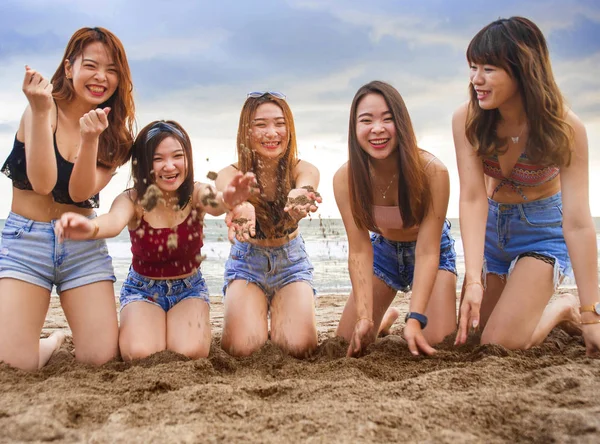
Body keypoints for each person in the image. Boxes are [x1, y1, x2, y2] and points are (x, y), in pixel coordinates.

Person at [453, 16, 600, 356]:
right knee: (476, 335)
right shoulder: (468, 119)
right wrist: (473, 279)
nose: (476, 79)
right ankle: (547, 307)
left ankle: (564, 307)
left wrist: (592, 315)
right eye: (473, 67)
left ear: (523, 70)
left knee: (498, 344)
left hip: (542, 233)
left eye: (488, 69)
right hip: (492, 229)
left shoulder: (566, 127)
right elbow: (473, 199)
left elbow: (578, 222)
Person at [54, 120, 256, 360]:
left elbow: (217, 203)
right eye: (158, 159)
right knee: (140, 353)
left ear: (187, 159)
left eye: (177, 156)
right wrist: (89, 227)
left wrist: (231, 198)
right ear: (143, 164)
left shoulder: (195, 193)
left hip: (188, 289)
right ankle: (59, 338)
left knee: (190, 353)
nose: (169, 166)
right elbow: (113, 221)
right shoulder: (133, 199)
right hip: (143, 290)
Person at [0, 27, 135, 370]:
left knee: (100, 360)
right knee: (15, 365)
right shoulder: (41, 108)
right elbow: (43, 183)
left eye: (112, 70)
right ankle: (52, 341)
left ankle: (59, 340)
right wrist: (43, 112)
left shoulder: (115, 134)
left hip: (82, 250)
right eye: (91, 65)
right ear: (70, 66)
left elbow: (79, 194)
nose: (101, 77)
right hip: (25, 243)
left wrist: (91, 140)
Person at [334, 81, 457, 357]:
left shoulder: (432, 171)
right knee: (346, 342)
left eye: (387, 119)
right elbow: (359, 249)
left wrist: (415, 319)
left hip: (431, 252)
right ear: (354, 128)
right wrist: (365, 316)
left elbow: (427, 251)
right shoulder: (346, 178)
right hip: (384, 252)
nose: (377, 129)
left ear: (401, 123)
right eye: (366, 120)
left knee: (434, 341)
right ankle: (381, 319)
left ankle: (404, 317)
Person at [216, 91, 321, 358]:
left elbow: (307, 181)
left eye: (280, 123)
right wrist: (241, 205)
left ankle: (281, 322)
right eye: (260, 125)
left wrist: (300, 194)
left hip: (290, 263)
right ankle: (258, 319)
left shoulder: (300, 168)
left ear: (290, 128)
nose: (272, 132)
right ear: (246, 132)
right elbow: (227, 191)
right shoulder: (232, 172)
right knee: (242, 349)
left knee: (300, 348)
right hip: (247, 262)